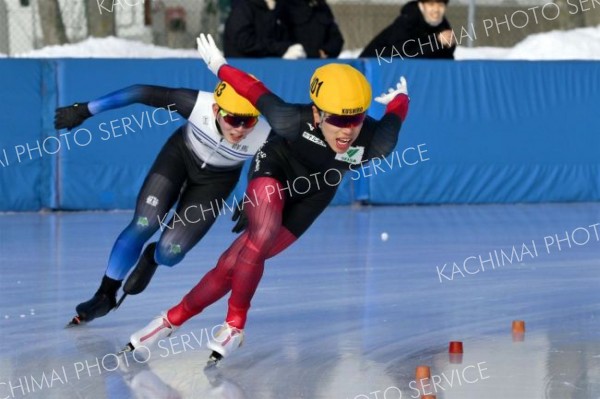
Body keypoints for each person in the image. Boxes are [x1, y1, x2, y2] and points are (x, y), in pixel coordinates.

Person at [123, 33, 410, 364]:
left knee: (233, 263)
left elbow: (397, 113)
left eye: (356, 119)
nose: (347, 131)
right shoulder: (290, 120)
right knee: (260, 236)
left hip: (314, 195)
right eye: (337, 119)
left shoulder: (378, 142)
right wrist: (219, 66)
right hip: (275, 168)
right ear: (317, 114)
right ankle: (235, 326)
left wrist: (400, 97)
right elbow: (250, 89)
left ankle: (167, 322)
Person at [55, 81, 271, 325]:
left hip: (215, 182)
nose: (241, 129)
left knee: (170, 253)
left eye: (249, 121)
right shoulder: (196, 105)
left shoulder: (264, 134)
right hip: (179, 157)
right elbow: (141, 92)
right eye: (233, 119)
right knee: (144, 223)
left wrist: (255, 198)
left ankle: (152, 257)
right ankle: (105, 294)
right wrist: (86, 109)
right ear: (215, 110)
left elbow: (275, 167)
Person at [359, 0, 455, 60]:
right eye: (431, 4)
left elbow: (445, 57)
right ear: (422, 5)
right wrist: (437, 42)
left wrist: (449, 45)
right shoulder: (406, 21)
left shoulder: (442, 23)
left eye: (441, 5)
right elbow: (404, 55)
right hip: (374, 66)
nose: (436, 10)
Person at [224, 0, 306, 59]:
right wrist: (282, 49)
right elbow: (244, 42)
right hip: (244, 70)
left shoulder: (281, 10)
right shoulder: (243, 8)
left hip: (271, 70)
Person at [279, 0, 344, 58]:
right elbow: (276, 35)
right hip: (294, 63)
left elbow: (336, 38)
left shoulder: (322, 7)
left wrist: (326, 51)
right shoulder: (286, 4)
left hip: (319, 62)